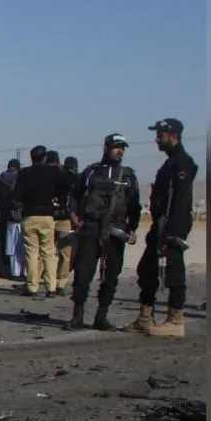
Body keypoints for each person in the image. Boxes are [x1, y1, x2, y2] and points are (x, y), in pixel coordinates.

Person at [130, 117, 199, 338]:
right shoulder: (170, 163)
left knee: (174, 271)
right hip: (160, 224)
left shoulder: (182, 162)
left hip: (173, 225)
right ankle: (145, 317)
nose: (156, 139)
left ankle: (175, 319)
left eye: (160, 135)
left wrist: (171, 232)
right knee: (147, 269)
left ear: (174, 137)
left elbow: (180, 200)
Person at [65, 134, 141, 331]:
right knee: (82, 274)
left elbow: (134, 204)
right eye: (116, 147)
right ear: (106, 147)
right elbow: (73, 194)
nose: (120, 151)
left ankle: (101, 317)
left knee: (110, 276)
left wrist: (132, 228)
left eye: (122, 147)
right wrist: (73, 214)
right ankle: (77, 316)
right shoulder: (91, 172)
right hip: (91, 228)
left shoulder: (128, 176)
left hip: (116, 231)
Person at [14, 145, 68, 297]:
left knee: (32, 253)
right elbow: (67, 184)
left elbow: (16, 195)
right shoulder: (52, 172)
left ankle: (32, 287)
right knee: (48, 253)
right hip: (47, 215)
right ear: (44, 157)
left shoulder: (25, 173)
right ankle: (50, 287)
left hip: (29, 215)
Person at [0, 158, 24, 279]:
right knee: (20, 245)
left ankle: (7, 269)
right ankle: (20, 271)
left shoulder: (0, 179)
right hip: (19, 215)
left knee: (5, 241)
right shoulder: (21, 178)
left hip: (4, 215)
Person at [54, 154, 81, 280]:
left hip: (50, 217)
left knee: (44, 251)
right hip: (66, 219)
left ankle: (38, 280)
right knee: (65, 253)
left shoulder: (55, 176)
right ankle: (61, 281)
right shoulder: (77, 179)